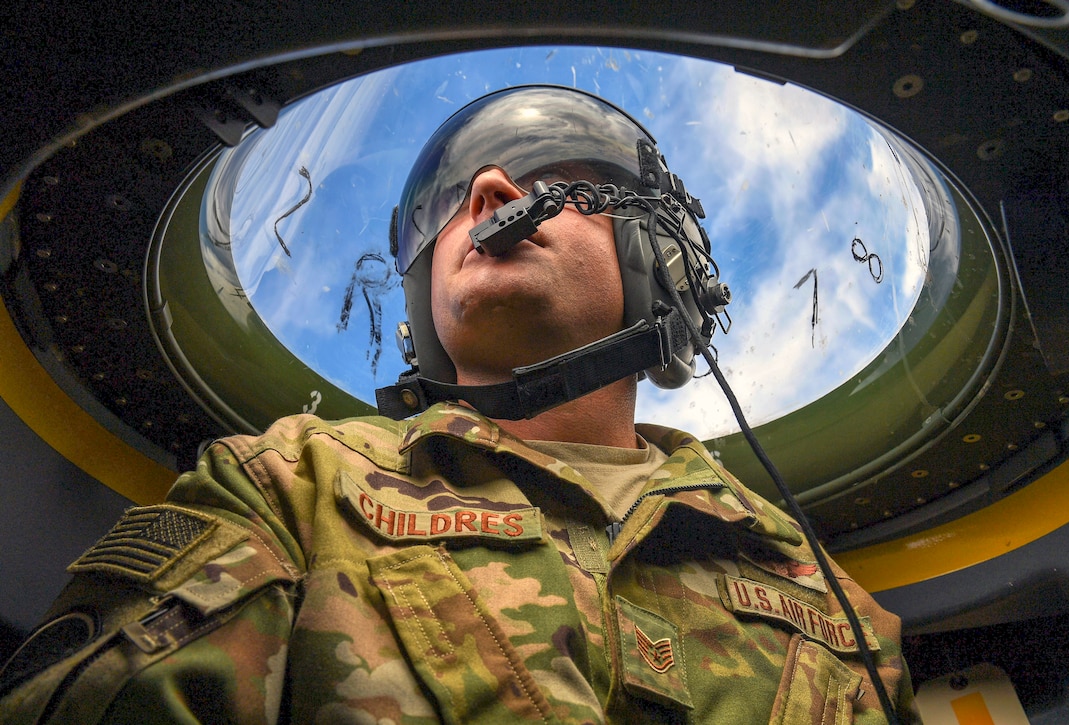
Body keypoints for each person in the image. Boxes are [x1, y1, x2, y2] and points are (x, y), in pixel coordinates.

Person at [0, 85, 915, 723]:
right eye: (453, 200)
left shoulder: (835, 601)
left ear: (660, 261)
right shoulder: (293, 486)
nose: (485, 193)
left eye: (553, 174)